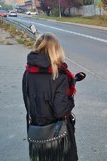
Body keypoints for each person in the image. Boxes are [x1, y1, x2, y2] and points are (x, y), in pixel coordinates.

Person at [22, 33, 78, 161]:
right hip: (58, 132)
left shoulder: (28, 72)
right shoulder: (59, 75)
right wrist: (71, 100)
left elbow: (27, 101)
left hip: (36, 130)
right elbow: (60, 111)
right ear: (56, 50)